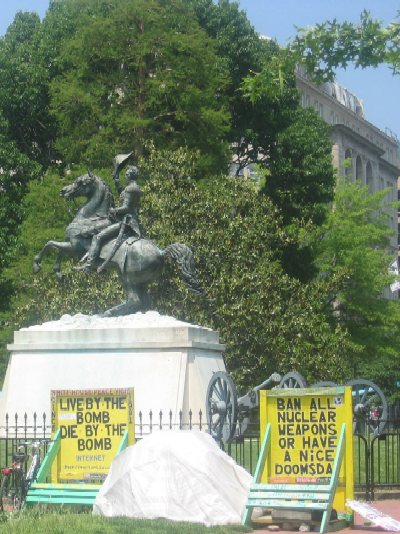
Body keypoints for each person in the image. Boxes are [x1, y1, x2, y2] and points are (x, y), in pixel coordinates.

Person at [77, 165, 142, 272]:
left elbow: (127, 207)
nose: (125, 176)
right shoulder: (136, 188)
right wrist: (116, 181)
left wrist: (114, 210)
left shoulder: (130, 188)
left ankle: (89, 265)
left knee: (98, 237)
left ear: (130, 175)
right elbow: (124, 196)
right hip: (132, 220)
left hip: (126, 222)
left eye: (126, 175)